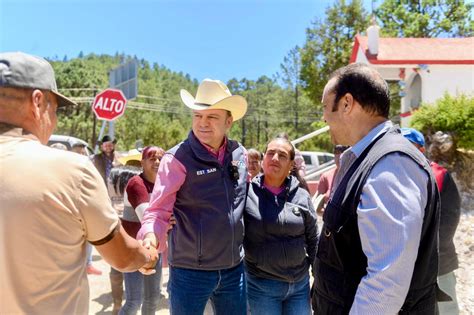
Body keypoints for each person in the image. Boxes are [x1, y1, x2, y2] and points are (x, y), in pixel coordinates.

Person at [0, 51, 158, 314]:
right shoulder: (71, 171)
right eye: (55, 107)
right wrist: (148, 255)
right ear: (38, 102)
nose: (56, 120)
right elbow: (123, 256)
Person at [311, 63, 441, 314]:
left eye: (326, 106)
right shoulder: (368, 158)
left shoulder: (392, 163)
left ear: (347, 103)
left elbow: (386, 282)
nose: (324, 117)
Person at [138, 78, 248, 315]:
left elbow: (242, 201)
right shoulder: (176, 158)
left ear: (229, 121)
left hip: (234, 269)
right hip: (190, 272)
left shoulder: (240, 154)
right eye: (198, 116)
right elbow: (157, 211)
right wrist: (150, 239)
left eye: (212, 117)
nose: (203, 123)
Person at [244, 137, 318, 315]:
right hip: (262, 287)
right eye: (270, 153)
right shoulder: (246, 193)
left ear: (291, 164)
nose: (275, 158)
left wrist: (318, 275)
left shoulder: (302, 196)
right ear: (263, 160)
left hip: (299, 286)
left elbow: (314, 239)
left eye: (282, 155)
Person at [402, 127, 462, 315]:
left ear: (420, 150)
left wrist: (424, 251)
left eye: (406, 147)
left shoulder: (440, 176)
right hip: (403, 265)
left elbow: (449, 220)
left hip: (439, 262)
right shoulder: (392, 177)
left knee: (446, 309)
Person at [120, 146, 166, 315]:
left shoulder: (163, 185)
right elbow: (148, 219)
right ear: (142, 162)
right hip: (132, 248)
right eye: (152, 158)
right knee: (134, 302)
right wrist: (169, 220)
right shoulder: (135, 184)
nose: (157, 162)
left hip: (153, 247)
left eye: (160, 158)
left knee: (153, 299)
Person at [314, 145, 348, 214]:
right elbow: (317, 207)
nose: (340, 155)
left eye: (343, 151)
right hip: (330, 220)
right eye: (336, 152)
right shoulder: (326, 176)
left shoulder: (355, 175)